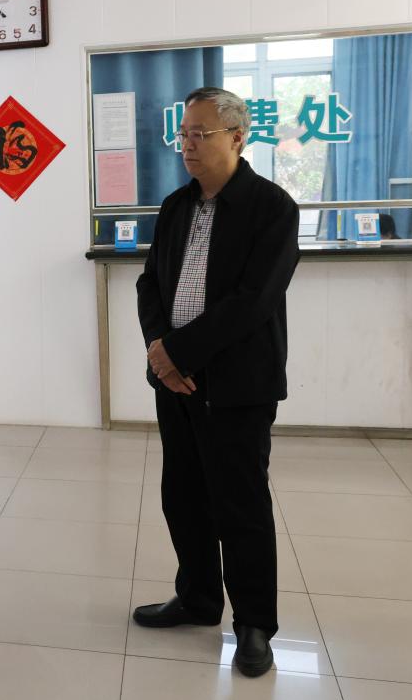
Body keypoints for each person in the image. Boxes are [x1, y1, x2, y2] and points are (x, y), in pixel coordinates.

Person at [134, 87, 300, 678]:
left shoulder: (272, 207)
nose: (188, 145)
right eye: (183, 135)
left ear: (237, 137)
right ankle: (198, 598)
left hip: (238, 383)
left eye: (200, 134)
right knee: (183, 495)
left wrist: (177, 353)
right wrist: (161, 351)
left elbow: (253, 300)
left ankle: (254, 623)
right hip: (174, 381)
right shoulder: (176, 206)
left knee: (240, 503)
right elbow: (150, 284)